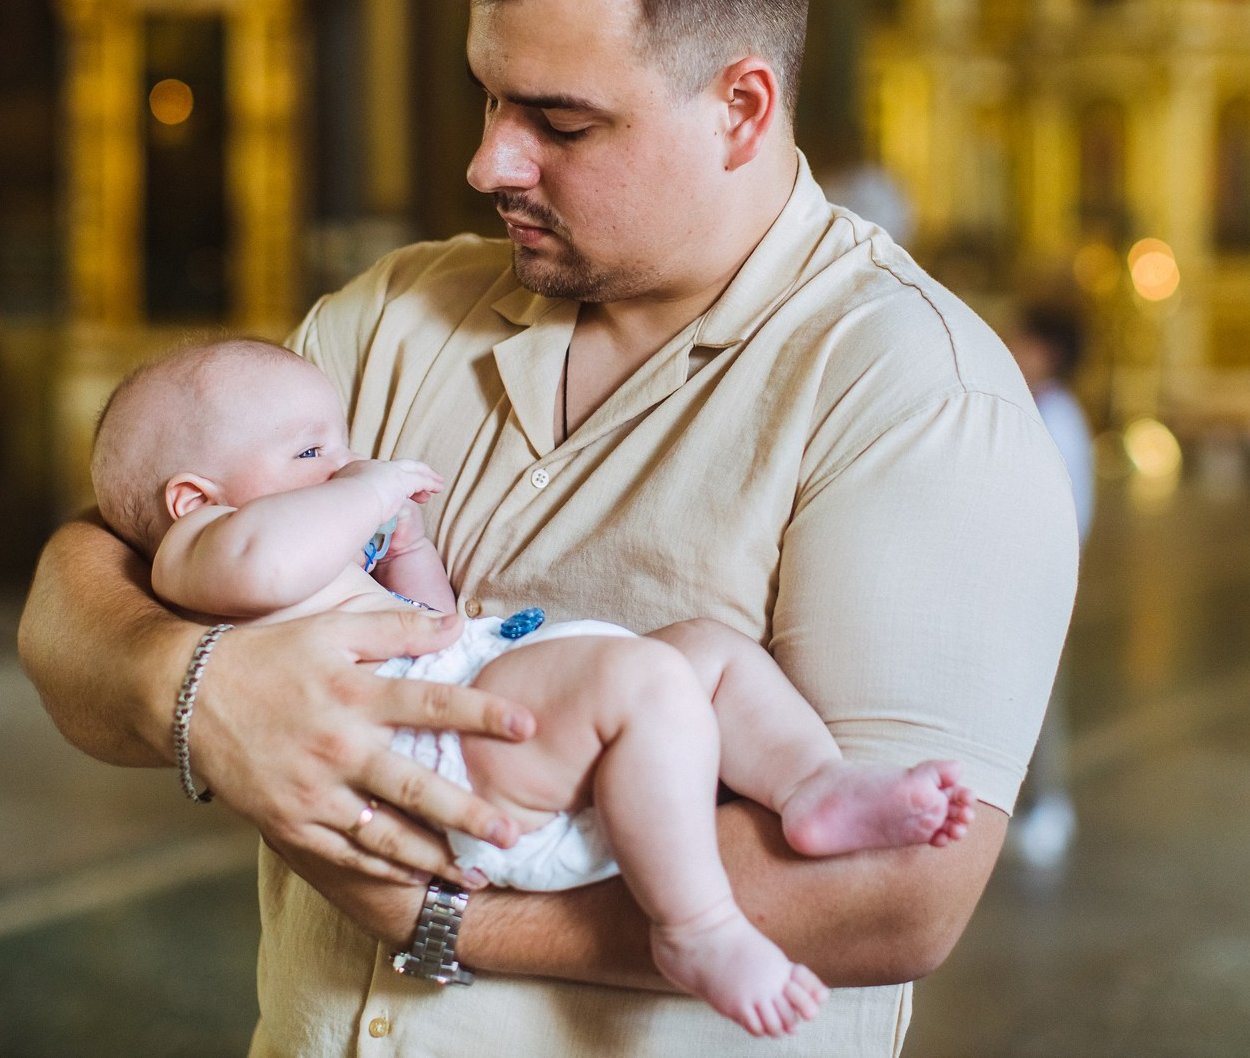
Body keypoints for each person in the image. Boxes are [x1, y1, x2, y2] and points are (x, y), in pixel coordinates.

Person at [19, 0, 1077, 1057]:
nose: (486, 163)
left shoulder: (914, 397)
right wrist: (195, 692)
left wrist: (437, 914)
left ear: (741, 108)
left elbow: (894, 899)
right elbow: (80, 588)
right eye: (486, 99)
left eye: (558, 122)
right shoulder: (393, 318)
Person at [93, 338, 978, 1035]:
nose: (341, 462)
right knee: (644, 685)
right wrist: (373, 489)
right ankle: (697, 923)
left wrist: (404, 547)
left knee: (704, 652)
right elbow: (267, 559)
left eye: (342, 444)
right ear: (190, 498)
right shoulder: (203, 549)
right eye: (311, 449)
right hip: (441, 761)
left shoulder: (304, 531)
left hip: (467, 685)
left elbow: (425, 615)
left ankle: (811, 784)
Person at [1006, 301, 1094, 869]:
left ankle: (1048, 805)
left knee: (1039, 697)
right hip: (1012, 573)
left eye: (1024, 340)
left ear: (1049, 353)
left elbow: (1066, 510)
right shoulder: (1028, 406)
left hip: (1034, 577)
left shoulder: (1059, 419)